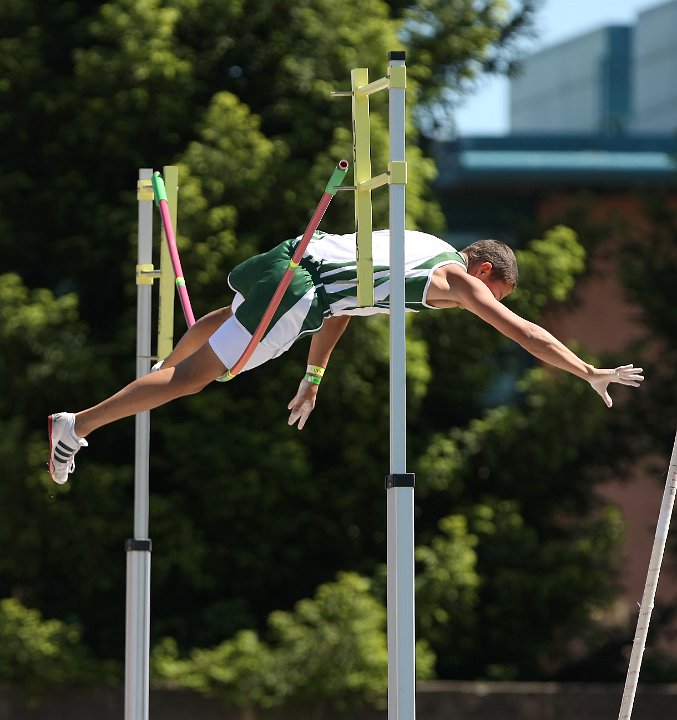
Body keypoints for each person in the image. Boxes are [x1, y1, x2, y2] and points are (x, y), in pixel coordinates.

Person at [47, 229, 644, 484]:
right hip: (298, 293)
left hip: (288, 257)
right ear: (483, 270)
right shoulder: (454, 277)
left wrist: (313, 376)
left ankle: (157, 369)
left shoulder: (419, 244)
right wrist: (586, 369)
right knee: (197, 380)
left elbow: (346, 308)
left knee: (220, 326)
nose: (477, 303)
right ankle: (79, 424)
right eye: (488, 291)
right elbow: (523, 333)